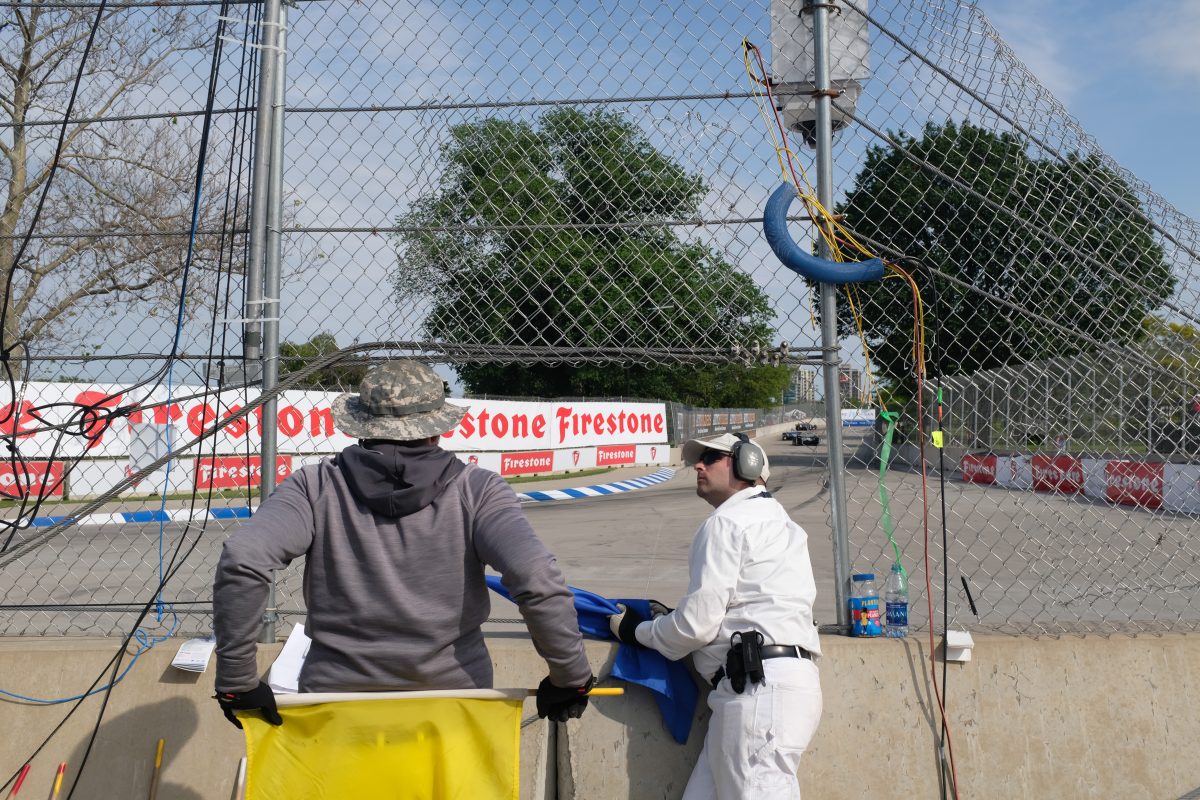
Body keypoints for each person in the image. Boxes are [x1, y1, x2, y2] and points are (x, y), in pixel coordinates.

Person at [212, 360, 594, 728]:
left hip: (336, 708)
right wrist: (570, 676)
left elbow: (244, 559)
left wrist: (237, 682)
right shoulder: (478, 490)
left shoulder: (314, 486)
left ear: (362, 425)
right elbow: (534, 574)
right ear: (437, 428)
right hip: (454, 705)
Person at [608, 432, 822, 799]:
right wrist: (671, 619)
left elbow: (695, 627)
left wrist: (638, 630)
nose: (698, 465)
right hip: (771, 689)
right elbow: (742, 607)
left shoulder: (727, 522)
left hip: (757, 695)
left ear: (747, 463)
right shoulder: (782, 523)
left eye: (711, 457)